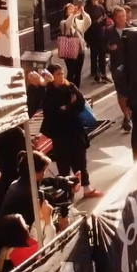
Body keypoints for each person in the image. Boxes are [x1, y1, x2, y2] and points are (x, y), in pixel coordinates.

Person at [41, 63, 101, 200]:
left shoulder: (70, 86)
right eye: (58, 74)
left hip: (75, 130)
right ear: (51, 76)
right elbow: (50, 112)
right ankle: (67, 192)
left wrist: (66, 107)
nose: (61, 76)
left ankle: (87, 188)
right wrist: (68, 106)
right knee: (63, 163)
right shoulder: (48, 92)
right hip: (60, 133)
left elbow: (80, 103)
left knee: (80, 161)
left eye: (62, 73)